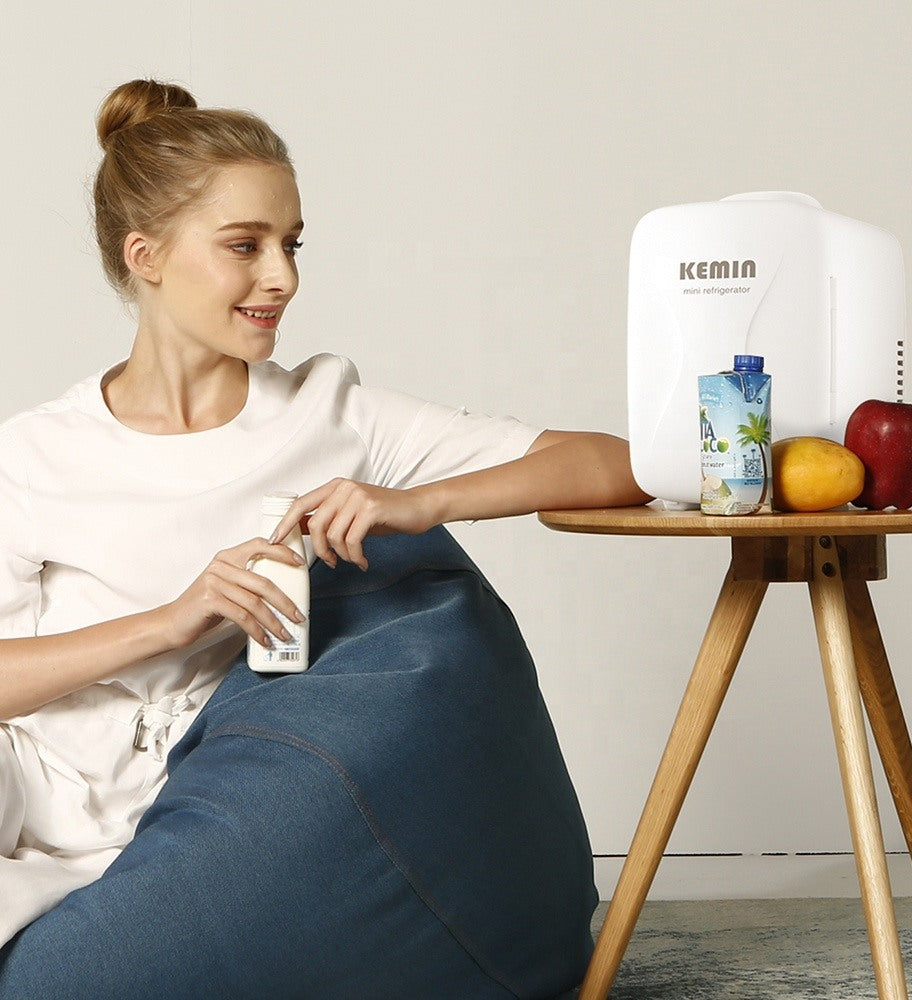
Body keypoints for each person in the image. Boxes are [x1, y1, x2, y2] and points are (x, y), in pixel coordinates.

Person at [0, 80, 649, 998]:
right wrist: (173, 621)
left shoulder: (329, 414)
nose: (283, 278)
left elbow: (616, 465)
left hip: (232, 837)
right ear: (146, 256)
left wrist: (419, 503)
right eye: (246, 246)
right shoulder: (36, 454)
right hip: (34, 811)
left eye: (291, 244)